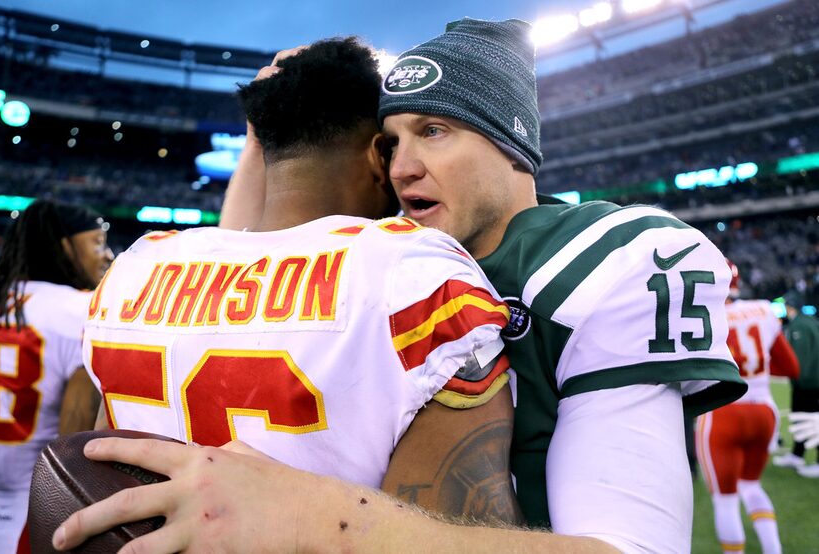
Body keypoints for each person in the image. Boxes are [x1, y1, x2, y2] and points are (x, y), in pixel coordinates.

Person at [53, 19, 746, 553]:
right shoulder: (401, 263)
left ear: (512, 140)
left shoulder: (603, 262)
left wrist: (310, 513)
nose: (402, 167)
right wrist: (264, 131)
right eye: (389, 143)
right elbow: (252, 250)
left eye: (433, 131)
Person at [76, 37, 518, 539]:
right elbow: (467, 534)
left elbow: (91, 458)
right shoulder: (415, 275)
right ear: (378, 155)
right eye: (393, 146)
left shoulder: (136, 268)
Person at [0, 199, 110, 552]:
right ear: (65, 246)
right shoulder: (79, 310)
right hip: (27, 511)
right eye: (98, 242)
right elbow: (71, 445)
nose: (108, 255)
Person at [696, 260, 799, 554]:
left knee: (725, 499)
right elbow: (791, 366)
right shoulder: (764, 311)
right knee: (752, 485)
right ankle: (773, 549)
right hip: (764, 411)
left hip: (724, 411)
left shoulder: (705, 316)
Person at [773, 290, 819, 477]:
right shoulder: (809, 321)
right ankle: (797, 454)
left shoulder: (799, 325)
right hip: (810, 381)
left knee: (809, 420)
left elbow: (798, 359)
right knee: (802, 418)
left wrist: (798, 377)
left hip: (808, 383)